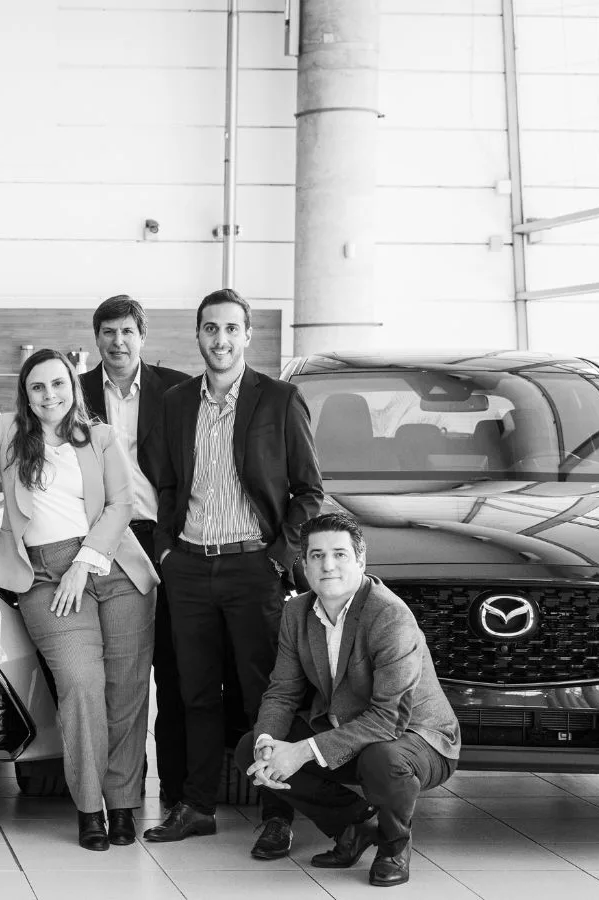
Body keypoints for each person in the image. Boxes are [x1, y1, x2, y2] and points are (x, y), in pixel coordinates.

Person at [0, 349, 157, 851]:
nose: (49, 395)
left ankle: (123, 804)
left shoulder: (100, 437)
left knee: (126, 691)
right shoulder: (8, 434)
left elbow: (122, 504)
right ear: (26, 394)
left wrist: (85, 562)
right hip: (43, 577)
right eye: (38, 387)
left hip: (114, 568)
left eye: (58, 384)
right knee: (80, 684)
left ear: (73, 388)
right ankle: (90, 807)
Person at [144, 288, 323, 859]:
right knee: (193, 694)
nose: (220, 339)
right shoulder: (176, 402)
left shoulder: (280, 399)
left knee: (262, 697)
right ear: (198, 335)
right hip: (189, 566)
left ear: (247, 335)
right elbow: (167, 484)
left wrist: (278, 559)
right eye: (210, 328)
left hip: (253, 567)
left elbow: (309, 492)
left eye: (230, 329)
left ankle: (276, 814)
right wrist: (167, 552)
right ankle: (197, 807)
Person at [236, 513, 460, 887]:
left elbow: (388, 720)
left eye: (339, 554)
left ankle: (393, 846)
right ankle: (356, 825)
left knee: (382, 758)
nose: (328, 565)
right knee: (250, 749)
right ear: (303, 564)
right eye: (317, 555)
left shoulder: (389, 615)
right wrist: (267, 744)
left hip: (417, 738)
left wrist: (302, 752)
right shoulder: (296, 611)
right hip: (347, 732)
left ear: (360, 560)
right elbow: (282, 691)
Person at [78, 294, 193, 810]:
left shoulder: (178, 391)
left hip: (163, 540)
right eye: (108, 332)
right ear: (96, 338)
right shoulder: (75, 393)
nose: (117, 342)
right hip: (102, 544)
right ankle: (118, 790)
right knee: (114, 674)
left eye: (127, 331)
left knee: (173, 668)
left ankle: (176, 789)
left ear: (142, 337)